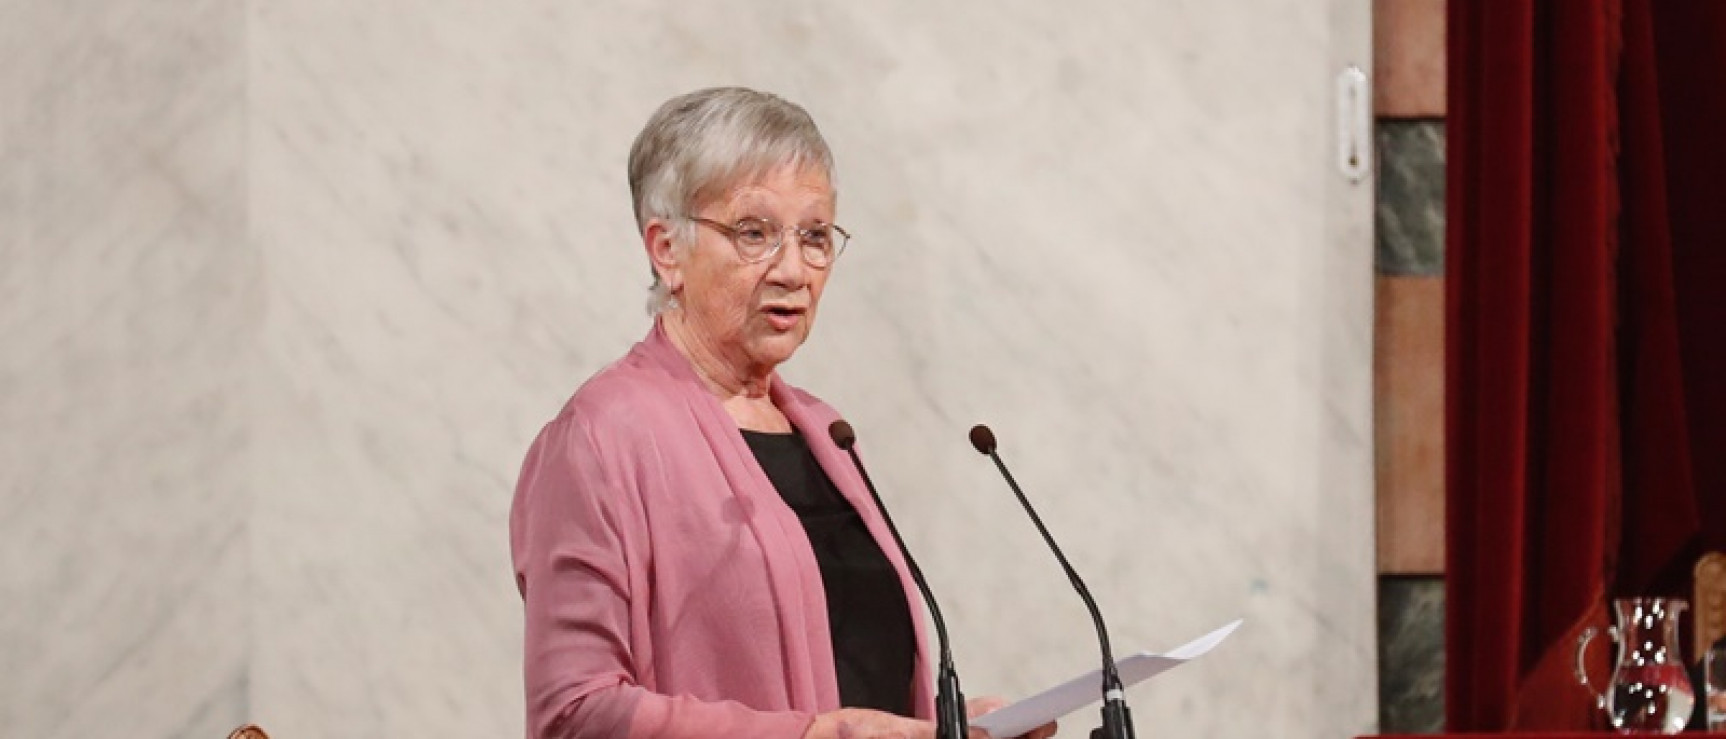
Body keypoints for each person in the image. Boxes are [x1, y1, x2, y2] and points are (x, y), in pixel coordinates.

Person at [509, 87, 1057, 739]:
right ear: (667, 249)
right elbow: (574, 712)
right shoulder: (602, 436)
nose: (793, 269)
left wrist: (942, 729)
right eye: (754, 233)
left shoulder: (828, 433)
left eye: (815, 235)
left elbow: (843, 687)